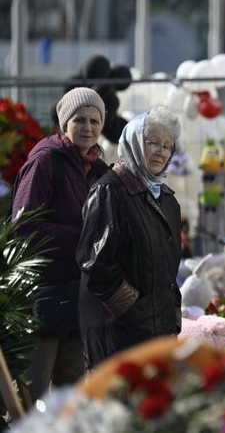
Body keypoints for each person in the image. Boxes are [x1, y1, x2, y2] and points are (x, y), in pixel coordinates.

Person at [12, 87, 110, 401]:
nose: (88, 127)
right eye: (79, 120)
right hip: (43, 297)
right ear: (63, 123)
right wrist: (83, 237)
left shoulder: (98, 170)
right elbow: (23, 227)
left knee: (71, 400)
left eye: (95, 121)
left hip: (80, 299)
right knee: (31, 397)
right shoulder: (45, 162)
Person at [76, 105, 183, 370]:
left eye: (167, 146)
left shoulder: (167, 199)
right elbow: (96, 265)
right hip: (118, 333)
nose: (161, 151)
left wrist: (170, 315)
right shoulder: (110, 191)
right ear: (134, 141)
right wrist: (132, 309)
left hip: (155, 332)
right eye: (153, 142)